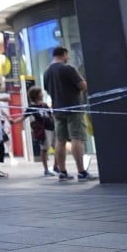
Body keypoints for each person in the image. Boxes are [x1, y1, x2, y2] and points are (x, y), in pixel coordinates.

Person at [41, 47, 93, 181]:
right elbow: (83, 86)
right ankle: (81, 172)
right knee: (77, 138)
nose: (67, 58)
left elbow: (47, 89)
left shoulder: (46, 72)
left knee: (60, 140)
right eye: (67, 55)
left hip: (58, 110)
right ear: (64, 54)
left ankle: (62, 172)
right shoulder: (68, 68)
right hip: (74, 108)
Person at [25, 87, 55, 177]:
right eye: (40, 93)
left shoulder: (45, 105)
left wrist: (55, 123)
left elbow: (51, 115)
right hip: (43, 130)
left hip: (52, 128)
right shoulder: (32, 107)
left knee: (57, 147)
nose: (42, 94)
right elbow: (23, 117)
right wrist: (13, 121)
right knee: (44, 149)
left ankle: (56, 166)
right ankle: (46, 169)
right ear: (36, 95)